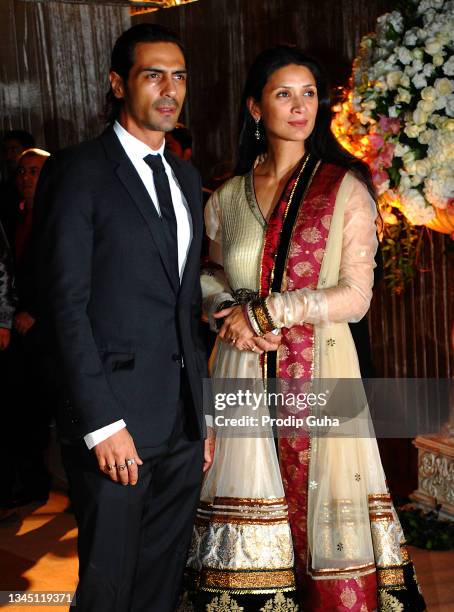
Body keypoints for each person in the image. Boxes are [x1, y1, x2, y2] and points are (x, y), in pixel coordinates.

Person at [184, 46, 426, 611]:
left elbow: (356, 297)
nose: (299, 107)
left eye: (309, 93)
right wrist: (225, 312)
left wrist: (268, 312)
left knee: (324, 516)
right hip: (241, 368)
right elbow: (208, 274)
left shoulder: (345, 188)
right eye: (283, 94)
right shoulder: (226, 196)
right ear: (254, 107)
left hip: (321, 365)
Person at [33, 23, 211, 612]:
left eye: (179, 76)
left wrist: (201, 414)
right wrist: (102, 422)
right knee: (108, 587)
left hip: (182, 422)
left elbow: (183, 304)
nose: (169, 89)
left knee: (161, 584)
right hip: (115, 423)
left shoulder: (186, 177)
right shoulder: (79, 171)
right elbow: (66, 306)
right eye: (152, 74)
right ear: (117, 83)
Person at [0, 130, 36, 244]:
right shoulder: (5, 190)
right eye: (6, 151)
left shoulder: (43, 183)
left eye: (13, 150)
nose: (8, 156)